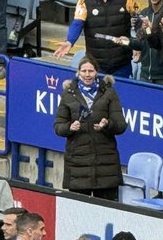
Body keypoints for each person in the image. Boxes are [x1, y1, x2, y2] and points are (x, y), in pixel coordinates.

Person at [53, 57, 127, 200]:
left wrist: (107, 124)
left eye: (91, 71)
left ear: (96, 72)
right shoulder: (68, 94)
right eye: (84, 71)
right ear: (78, 73)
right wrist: (70, 127)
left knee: (106, 212)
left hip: (106, 164)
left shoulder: (109, 92)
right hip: (78, 164)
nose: (87, 74)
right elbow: (58, 127)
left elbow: (121, 125)